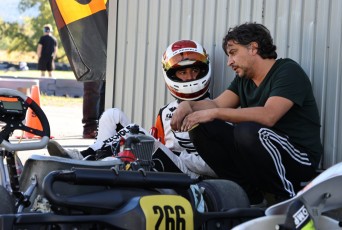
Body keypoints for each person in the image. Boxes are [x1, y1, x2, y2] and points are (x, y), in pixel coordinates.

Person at [170, 22, 323, 205]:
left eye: (233, 53)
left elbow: (269, 115)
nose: (229, 62)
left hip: (299, 157)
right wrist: (189, 106)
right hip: (262, 155)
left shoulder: (287, 71)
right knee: (202, 128)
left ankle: (287, 200)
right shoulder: (244, 80)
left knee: (248, 131)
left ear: (253, 48)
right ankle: (251, 197)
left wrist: (215, 113)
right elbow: (217, 103)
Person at [47, 40, 217, 179]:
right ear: (172, 75)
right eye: (183, 73)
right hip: (167, 165)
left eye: (194, 70)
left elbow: (216, 166)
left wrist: (176, 155)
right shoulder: (166, 112)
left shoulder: (216, 108)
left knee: (137, 136)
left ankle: (83, 159)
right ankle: (96, 163)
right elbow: (159, 147)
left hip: (193, 176)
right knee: (112, 115)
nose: (190, 77)